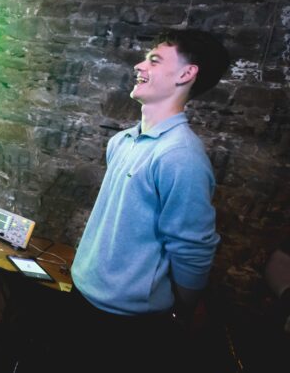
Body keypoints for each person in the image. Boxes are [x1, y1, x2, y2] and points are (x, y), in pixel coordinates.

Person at [62, 29, 230, 372]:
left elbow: (193, 248)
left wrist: (183, 310)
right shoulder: (122, 141)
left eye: (154, 59)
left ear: (186, 74)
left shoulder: (181, 155)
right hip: (83, 296)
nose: (140, 65)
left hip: (127, 325)